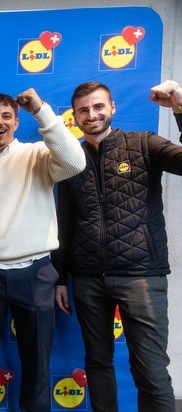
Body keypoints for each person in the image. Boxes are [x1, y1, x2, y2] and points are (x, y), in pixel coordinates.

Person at [53, 80, 182, 412]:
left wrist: (179, 108)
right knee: (97, 364)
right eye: (83, 110)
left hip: (142, 276)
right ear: (75, 117)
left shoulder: (143, 143)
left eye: (98, 106)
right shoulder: (71, 159)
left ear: (112, 107)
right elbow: (64, 222)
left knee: (151, 373)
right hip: (87, 278)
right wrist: (59, 278)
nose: (92, 114)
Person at [0, 89, 86, 412]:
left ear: (17, 122)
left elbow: (75, 162)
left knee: (37, 361)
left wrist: (41, 110)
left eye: (6, 116)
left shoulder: (38, 155)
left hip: (36, 272)